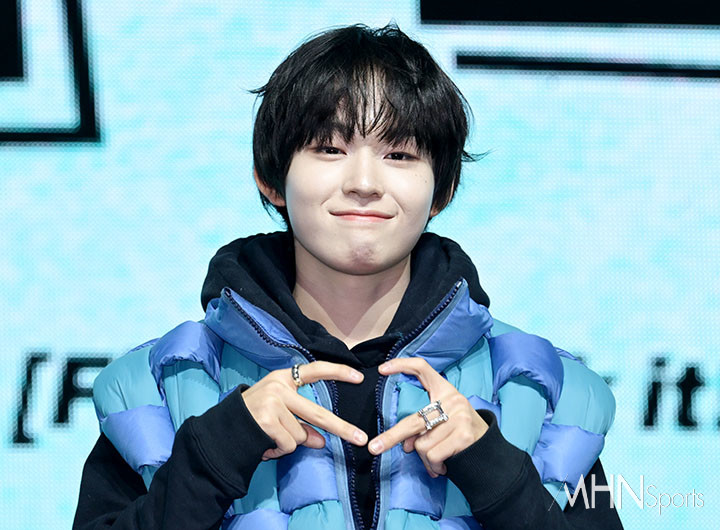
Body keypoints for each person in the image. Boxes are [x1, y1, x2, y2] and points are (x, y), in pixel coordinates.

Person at [73, 24, 624, 530]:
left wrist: (497, 475)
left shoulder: (539, 392)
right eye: (329, 149)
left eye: (399, 155)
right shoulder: (159, 385)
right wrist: (214, 453)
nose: (364, 182)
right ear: (271, 178)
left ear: (443, 189)